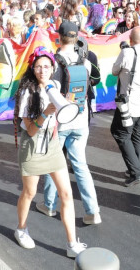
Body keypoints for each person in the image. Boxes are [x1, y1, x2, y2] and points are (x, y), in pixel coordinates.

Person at [13, 47, 87, 258]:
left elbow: (60, 114)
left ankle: (72, 243)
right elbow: (30, 129)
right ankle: (21, 228)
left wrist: (67, 103)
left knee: (66, 194)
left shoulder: (54, 85)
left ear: (52, 68)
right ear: (32, 68)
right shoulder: (28, 91)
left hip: (52, 144)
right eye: (38, 67)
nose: (42, 70)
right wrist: (45, 114)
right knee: (29, 193)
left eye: (46, 66)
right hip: (33, 145)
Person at [40, 21, 101, 225]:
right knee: (81, 165)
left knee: (53, 162)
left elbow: (52, 91)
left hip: (60, 120)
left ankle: (49, 204)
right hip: (81, 118)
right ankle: (92, 211)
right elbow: (94, 80)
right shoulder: (84, 59)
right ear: (76, 38)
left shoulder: (55, 61)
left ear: (59, 36)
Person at [111, 28, 140, 186]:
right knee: (138, 135)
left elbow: (114, 71)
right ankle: (135, 168)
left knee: (120, 134)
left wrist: (125, 52)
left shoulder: (127, 53)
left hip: (129, 105)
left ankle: (137, 173)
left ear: (130, 39)